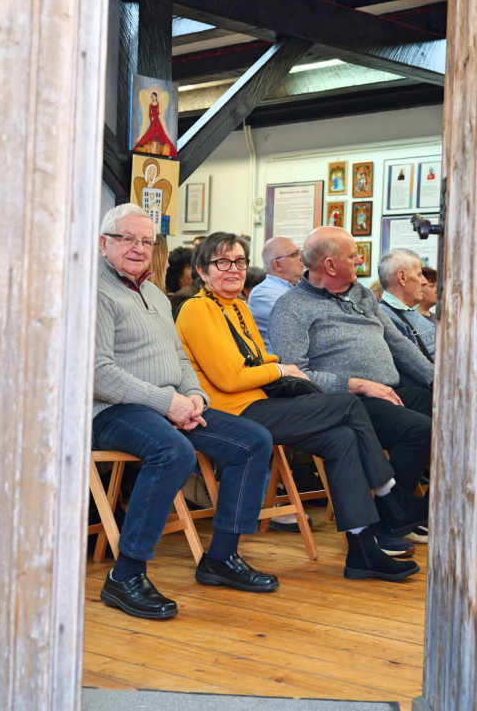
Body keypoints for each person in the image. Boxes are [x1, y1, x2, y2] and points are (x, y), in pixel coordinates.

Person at [175, 232, 426, 579]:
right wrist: (279, 368)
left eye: (239, 262)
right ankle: (392, 497)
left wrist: (275, 366)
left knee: (342, 438)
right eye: (222, 262)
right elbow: (230, 379)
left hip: (260, 401)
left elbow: (259, 360)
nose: (233, 269)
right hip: (232, 411)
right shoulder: (197, 309)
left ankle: (363, 550)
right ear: (202, 271)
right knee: (348, 407)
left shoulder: (237, 307)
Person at [93, 205, 279, 620]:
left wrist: (194, 398)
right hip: (111, 410)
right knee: (174, 451)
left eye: (147, 240)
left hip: (168, 406)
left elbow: (180, 359)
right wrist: (168, 404)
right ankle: (125, 576)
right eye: (127, 238)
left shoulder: (156, 294)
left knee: (253, 441)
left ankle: (221, 558)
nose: (139, 248)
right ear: (103, 243)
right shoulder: (95, 291)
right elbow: (97, 374)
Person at [269, 226, 434, 544]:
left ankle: (413, 512)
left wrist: (434, 379)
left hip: (390, 389)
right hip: (349, 400)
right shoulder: (290, 308)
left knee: (458, 421)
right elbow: (294, 375)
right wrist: (356, 384)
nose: (360, 260)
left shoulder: (361, 296)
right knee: (420, 432)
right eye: (353, 255)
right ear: (330, 265)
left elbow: (397, 343)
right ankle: (391, 519)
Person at [378, 249, 436, 367]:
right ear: (402, 277)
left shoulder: (414, 312)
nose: (424, 282)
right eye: (419, 275)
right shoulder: (384, 318)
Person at [247, 236, 304, 353]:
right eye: (294, 255)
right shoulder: (263, 293)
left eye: (301, 253)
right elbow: (302, 324)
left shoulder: (300, 288)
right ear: (277, 265)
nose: (302, 259)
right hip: (279, 367)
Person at [133, 89, 177, 157]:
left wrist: (155, 116)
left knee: (160, 132)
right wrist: (151, 117)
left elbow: (157, 112)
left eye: (154, 97)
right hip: (152, 119)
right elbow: (150, 113)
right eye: (152, 97)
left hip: (156, 119)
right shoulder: (151, 104)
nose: (153, 98)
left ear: (156, 97)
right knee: (150, 131)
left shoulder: (158, 104)